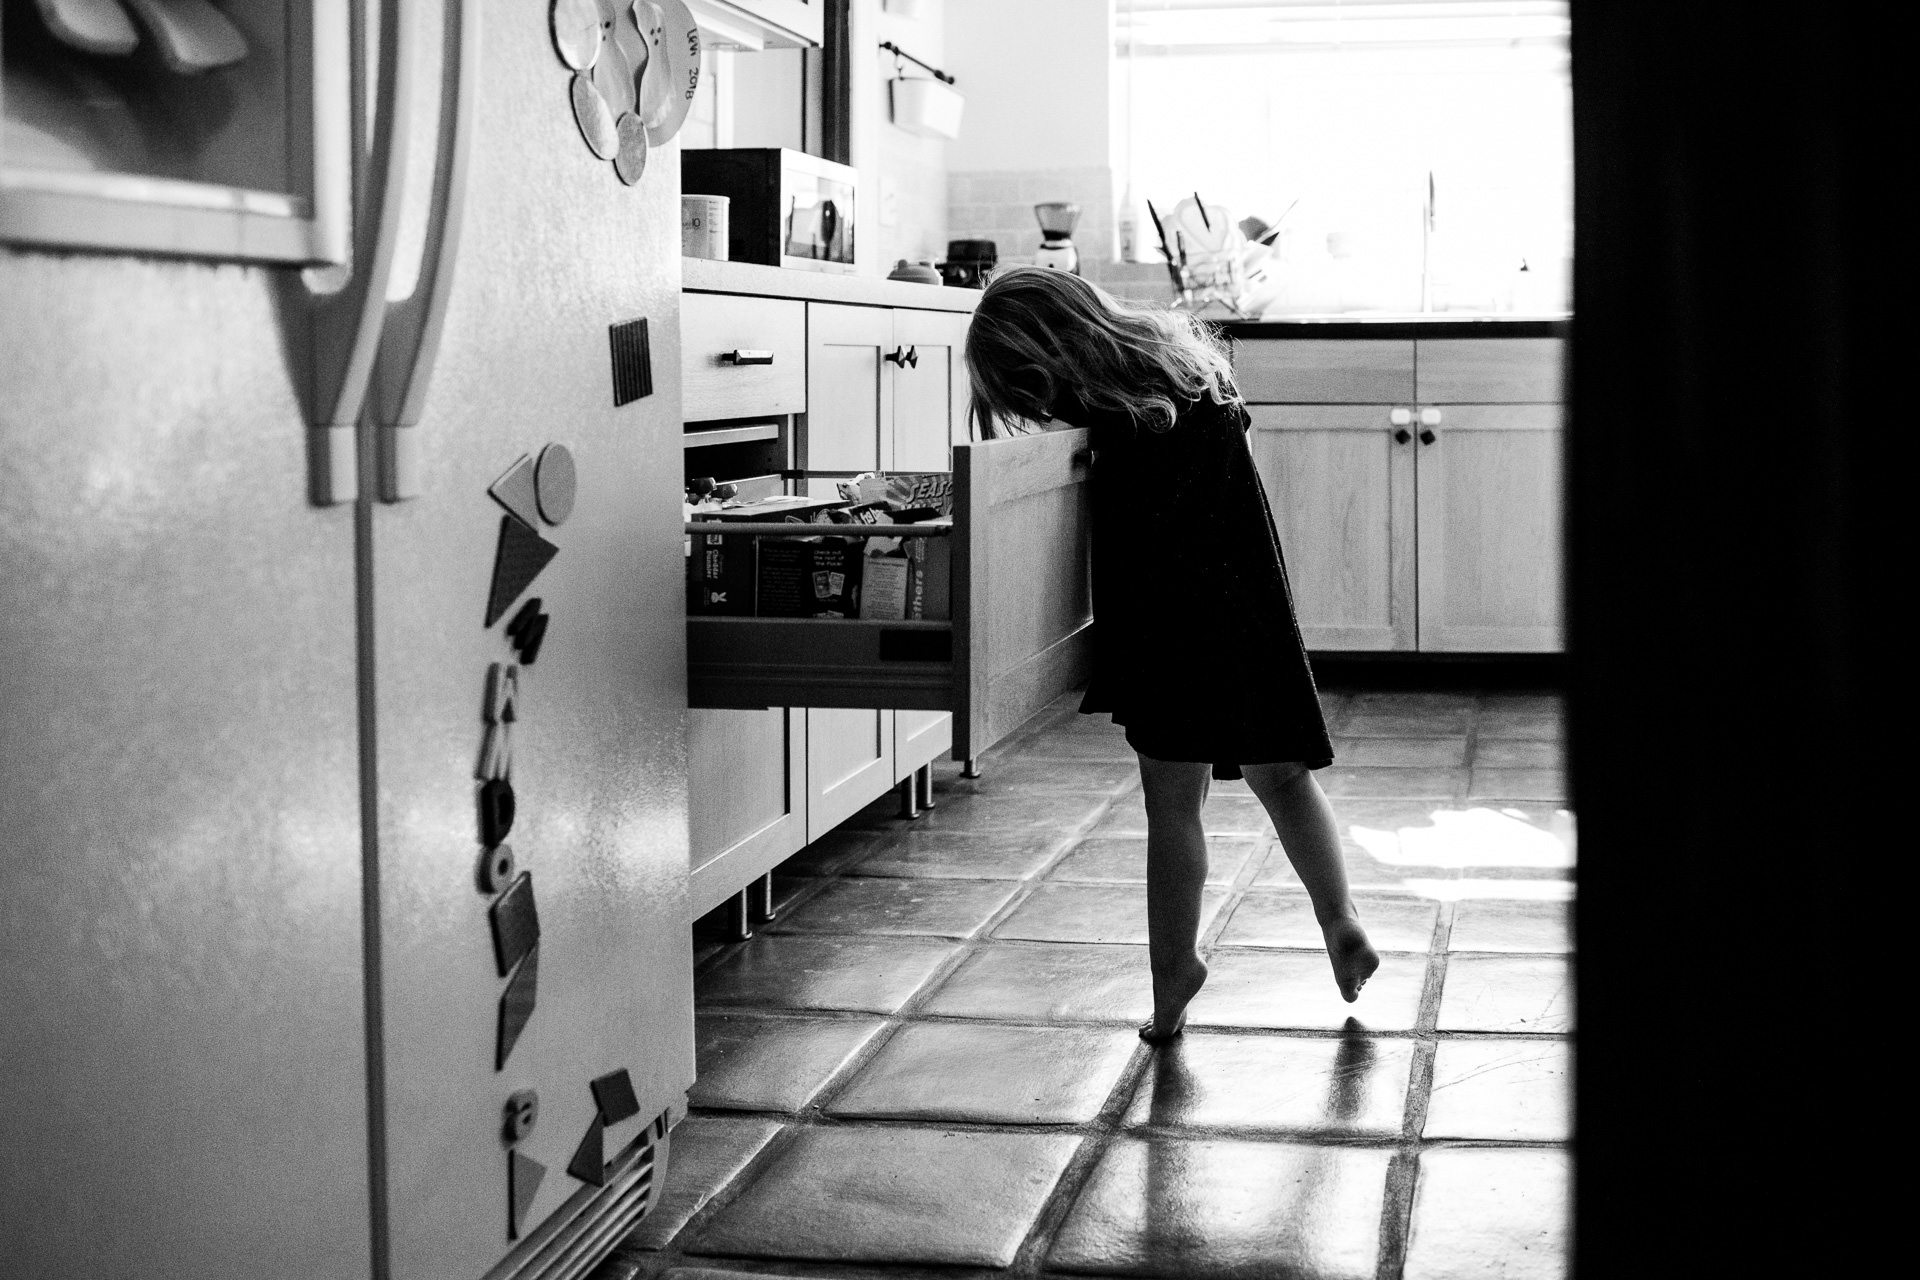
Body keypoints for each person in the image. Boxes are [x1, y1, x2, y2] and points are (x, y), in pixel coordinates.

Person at [964, 266, 1380, 1042]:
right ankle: (1340, 918)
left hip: (1169, 635)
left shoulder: (1114, 421)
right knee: (1284, 778)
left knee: (1172, 807)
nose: (1043, 409)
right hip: (1250, 613)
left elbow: (1132, 540)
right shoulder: (1188, 373)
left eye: (1033, 391)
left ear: (1049, 357)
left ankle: (1172, 976)